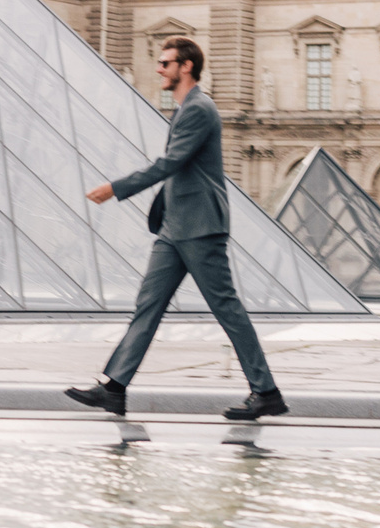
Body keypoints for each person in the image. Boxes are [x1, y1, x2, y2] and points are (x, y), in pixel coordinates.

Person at [66, 38, 285, 422]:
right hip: (175, 227)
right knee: (147, 307)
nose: (159, 69)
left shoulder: (199, 108)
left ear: (186, 67)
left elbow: (168, 163)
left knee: (227, 309)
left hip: (199, 227)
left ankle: (266, 391)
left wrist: (116, 188)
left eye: (165, 62)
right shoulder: (186, 108)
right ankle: (114, 388)